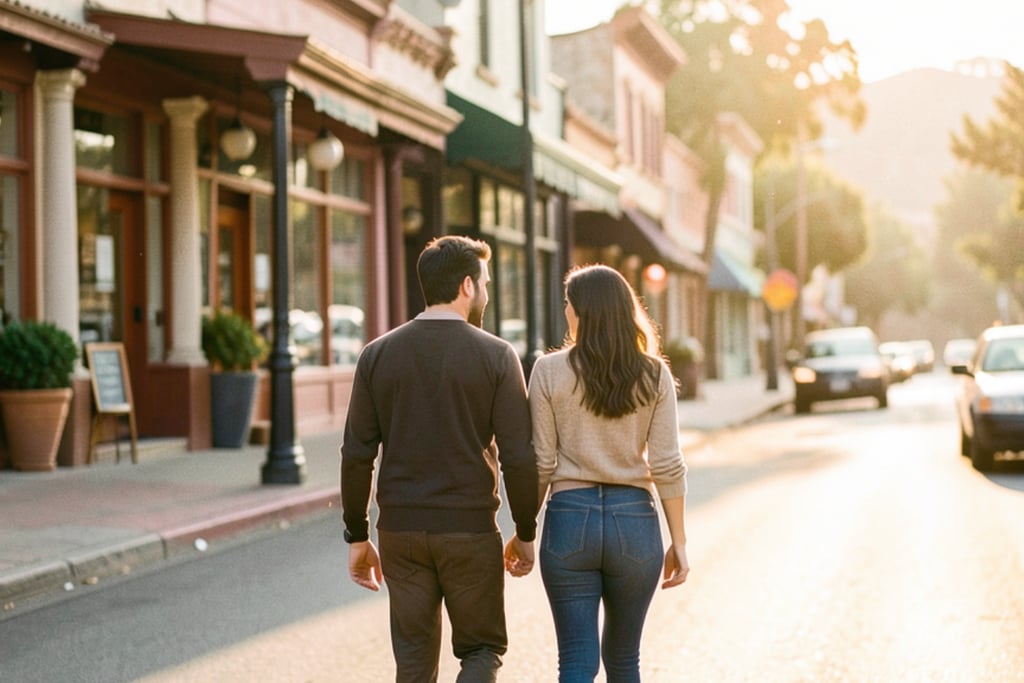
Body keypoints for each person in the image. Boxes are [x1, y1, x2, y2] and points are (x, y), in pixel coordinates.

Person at [340, 235, 538, 683]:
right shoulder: (497, 356)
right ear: (467, 286)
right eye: (484, 283)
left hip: (400, 533)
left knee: (412, 661)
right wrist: (525, 531)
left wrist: (357, 535)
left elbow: (356, 455)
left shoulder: (377, 355)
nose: (486, 292)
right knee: (482, 650)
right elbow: (520, 457)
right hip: (468, 530)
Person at [528, 264, 689, 683]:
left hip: (568, 518)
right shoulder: (655, 374)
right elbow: (667, 463)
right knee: (623, 659)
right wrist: (679, 542)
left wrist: (524, 533)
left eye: (568, 303)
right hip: (634, 521)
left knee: (577, 660)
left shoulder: (548, 371)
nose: (565, 311)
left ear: (582, 311)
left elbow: (542, 462)